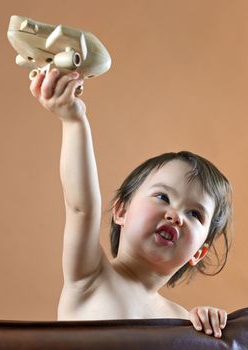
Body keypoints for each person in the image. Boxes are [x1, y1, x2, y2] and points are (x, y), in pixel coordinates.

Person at [29, 68, 233, 338]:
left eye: (194, 213)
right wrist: (74, 121)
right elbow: (81, 206)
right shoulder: (90, 277)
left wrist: (209, 329)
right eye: (162, 197)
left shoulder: (184, 321)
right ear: (121, 210)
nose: (176, 216)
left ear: (199, 253)